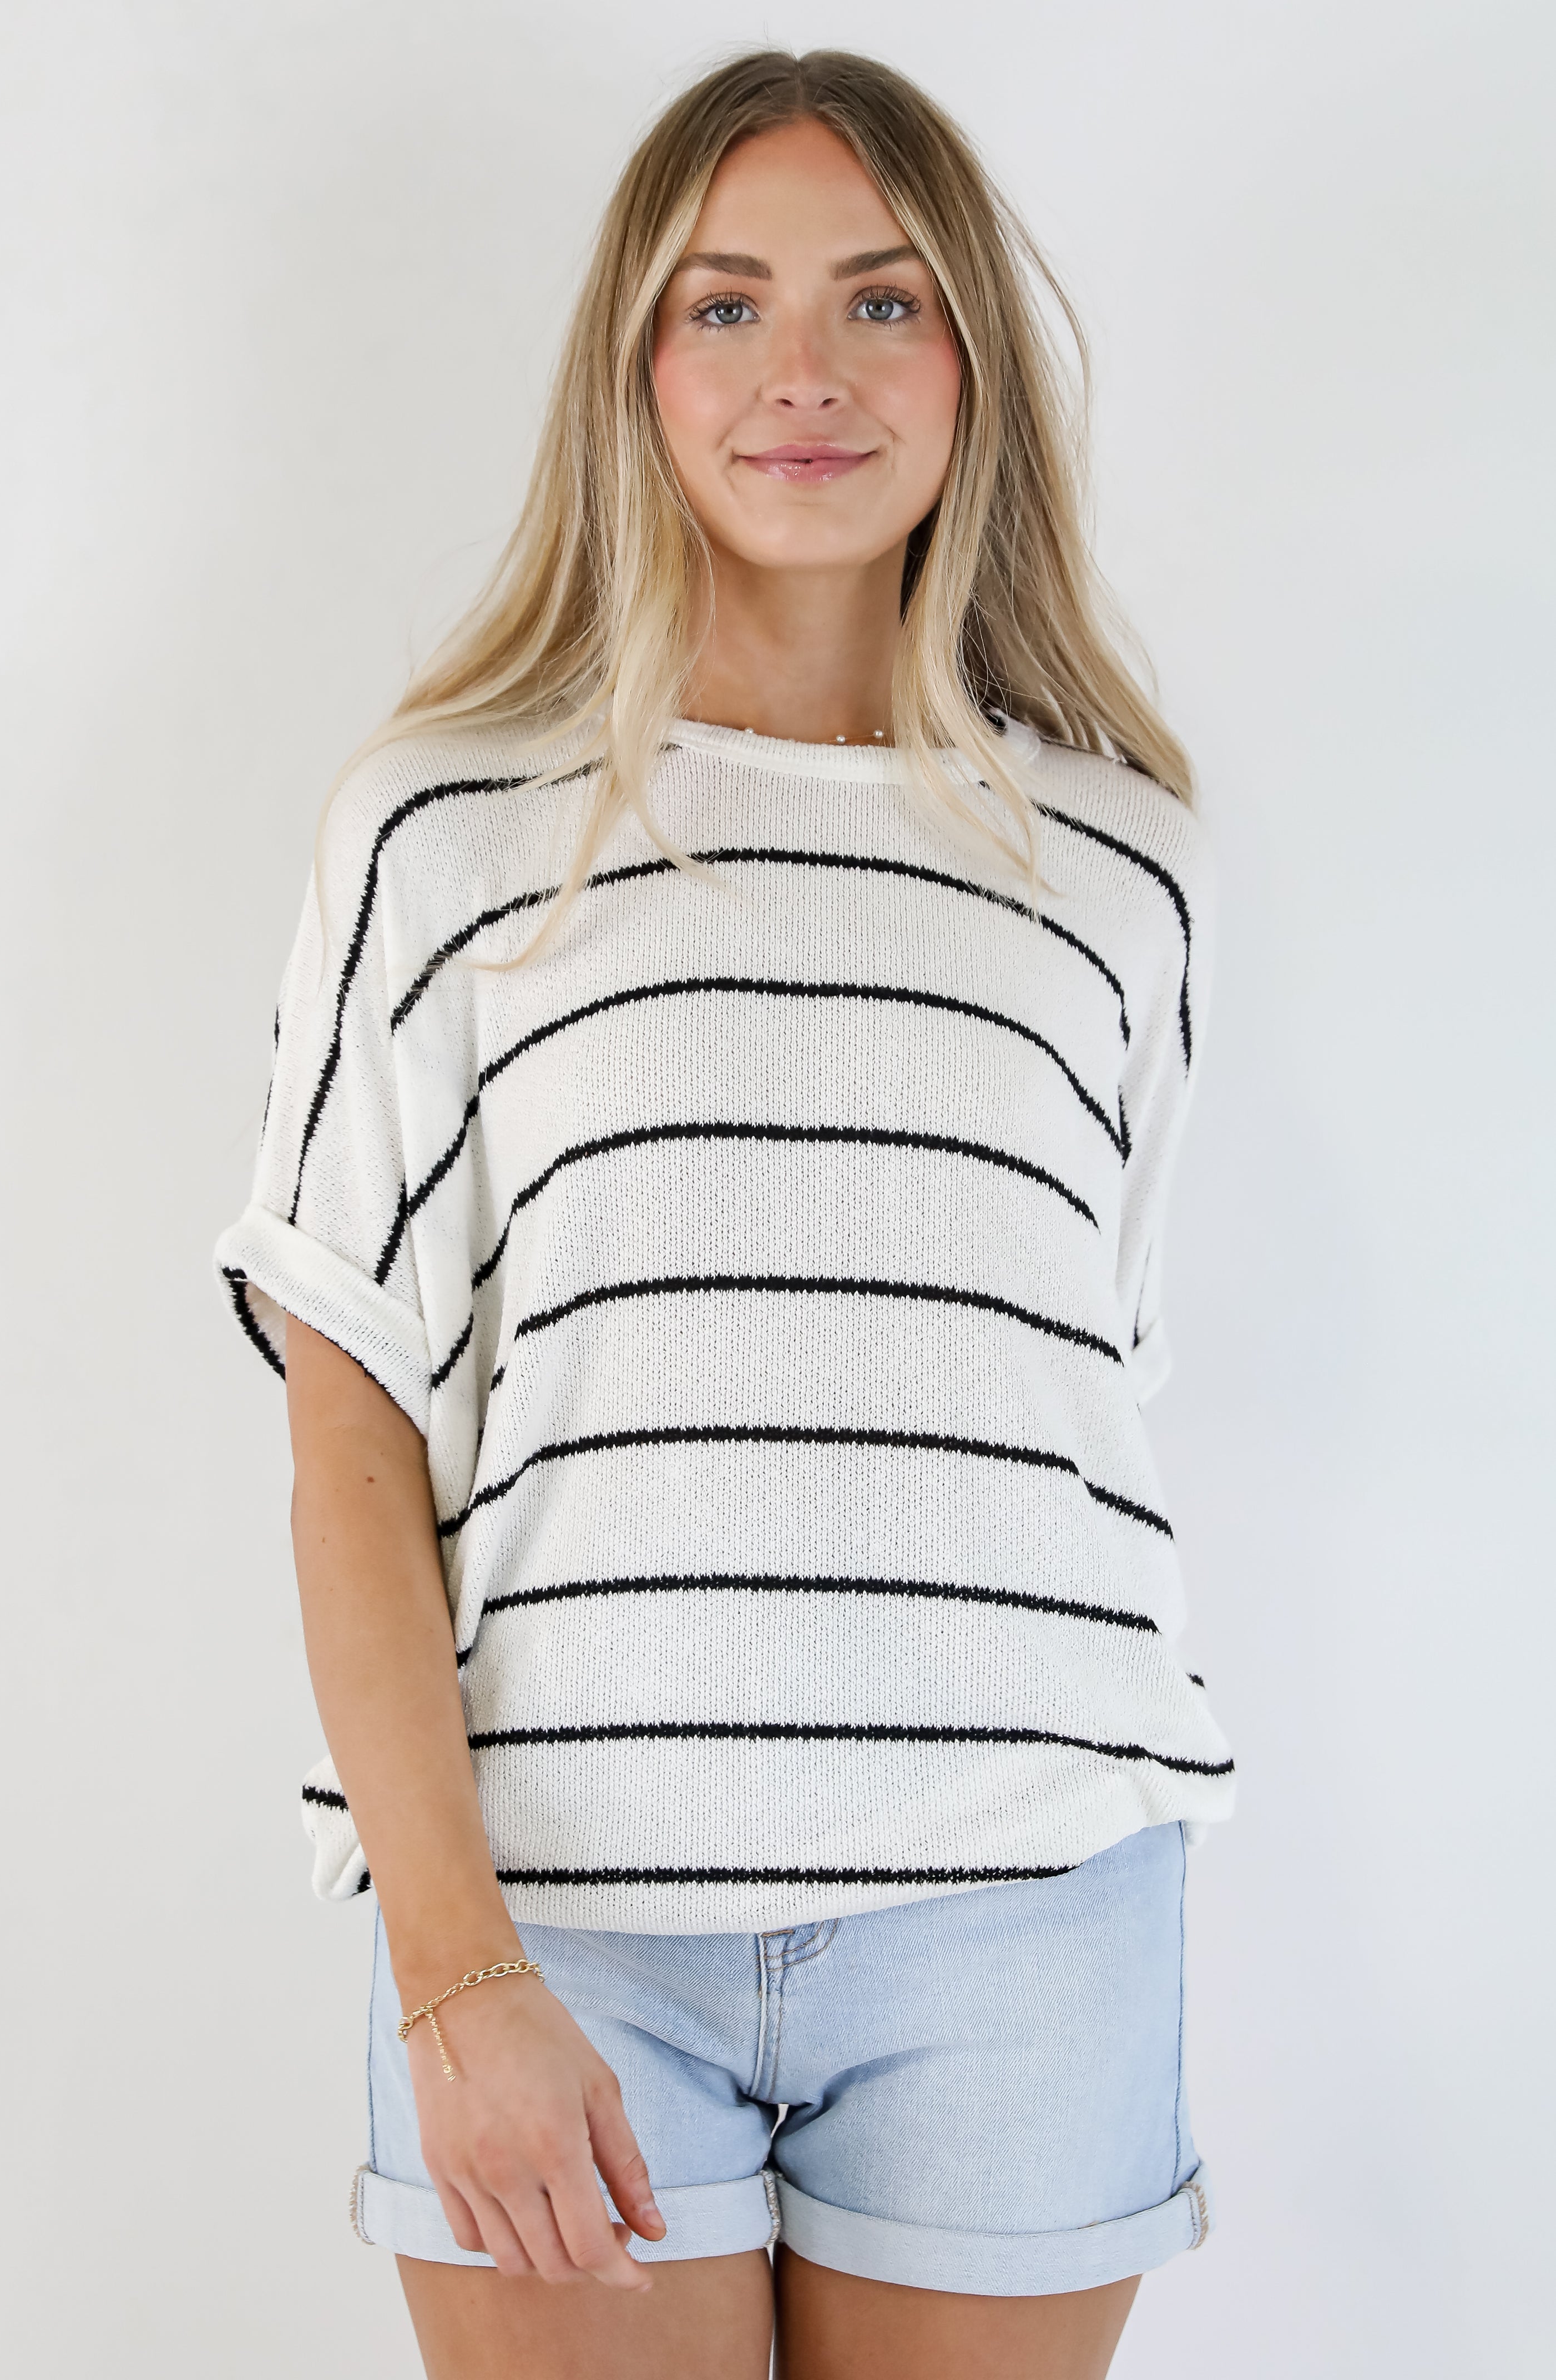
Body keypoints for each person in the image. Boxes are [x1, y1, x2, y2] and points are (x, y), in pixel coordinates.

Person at [217, 46, 1233, 2380]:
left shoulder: (1126, 872)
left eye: (882, 301)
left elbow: (1079, 1388)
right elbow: (348, 1429)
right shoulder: (445, 835)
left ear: (971, 358)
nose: (804, 371)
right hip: (556, 1928)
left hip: (1025, 1917)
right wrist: (453, 1968)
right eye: (724, 304)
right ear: (636, 365)